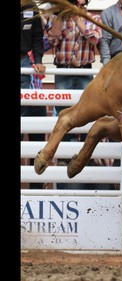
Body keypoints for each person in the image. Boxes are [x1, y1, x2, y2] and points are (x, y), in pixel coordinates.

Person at [47, 0, 111, 190]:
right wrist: (61, 17)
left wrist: (80, 18)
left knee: (87, 111)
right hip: (63, 71)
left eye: (82, 3)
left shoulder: (94, 18)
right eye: (76, 3)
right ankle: (64, 154)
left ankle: (84, 153)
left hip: (84, 71)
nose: (79, 5)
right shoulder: (56, 17)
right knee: (63, 111)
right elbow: (52, 40)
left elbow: (94, 38)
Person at [21, 2, 47, 189]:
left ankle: (36, 186)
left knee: (30, 119)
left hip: (24, 61)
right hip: (24, 62)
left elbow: (38, 37)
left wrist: (37, 60)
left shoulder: (30, 6)